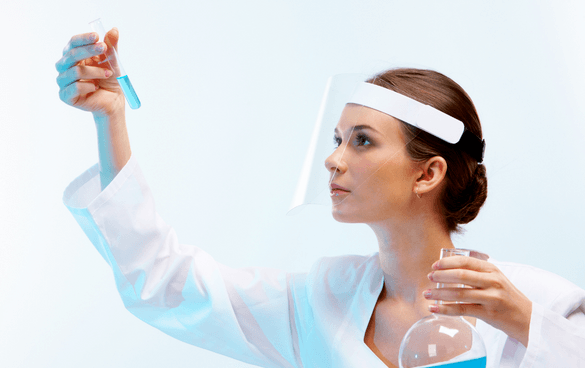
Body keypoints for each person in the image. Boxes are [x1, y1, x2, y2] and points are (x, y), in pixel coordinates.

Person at [55, 29, 585, 368]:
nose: (334, 160)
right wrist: (111, 119)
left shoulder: (538, 301)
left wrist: (524, 321)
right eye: (337, 139)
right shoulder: (322, 302)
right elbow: (166, 284)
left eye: (362, 141)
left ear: (428, 174)